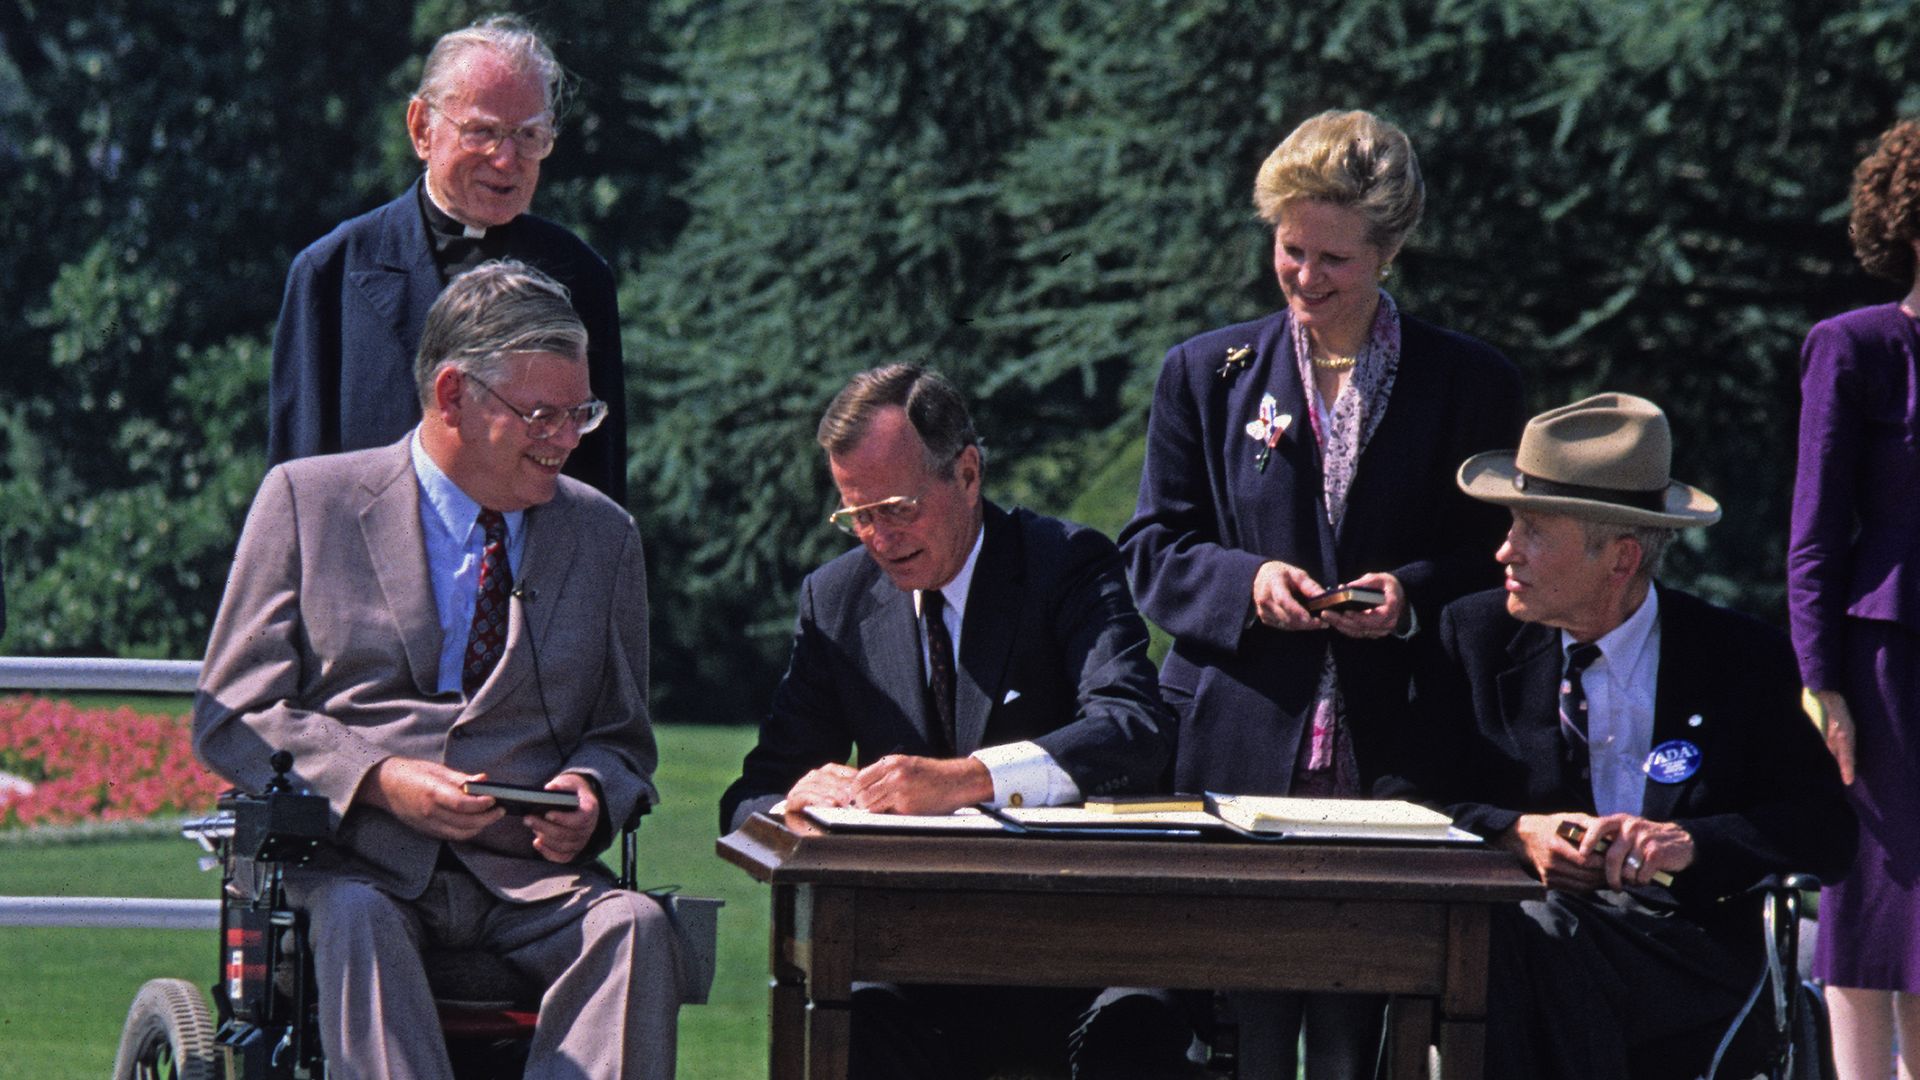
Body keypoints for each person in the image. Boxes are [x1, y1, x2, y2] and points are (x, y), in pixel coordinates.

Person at [1114, 109, 1522, 1078]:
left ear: (1390, 249)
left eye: (1334, 258)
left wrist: (1410, 597)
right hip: (1239, 747)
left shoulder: (1470, 381)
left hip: (1398, 754)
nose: (1305, 277)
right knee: (1246, 1026)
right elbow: (1151, 549)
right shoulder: (1204, 374)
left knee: (1355, 1035)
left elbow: (1501, 557)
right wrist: (1248, 581)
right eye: (1290, 251)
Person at [195, 261, 677, 1079]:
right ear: (453, 395)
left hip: (530, 879)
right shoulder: (309, 503)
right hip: (357, 864)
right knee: (358, 919)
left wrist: (592, 793)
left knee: (635, 928)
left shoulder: (605, 536)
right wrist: (379, 779)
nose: (568, 439)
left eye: (580, 414)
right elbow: (233, 711)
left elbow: (621, 737)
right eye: (542, 415)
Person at [1379, 392, 1856, 1080]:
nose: (1504, 550)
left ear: (1621, 559)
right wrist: (1516, 833)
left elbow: (1826, 831)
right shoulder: (1473, 636)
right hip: (1514, 928)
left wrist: (1690, 842)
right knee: (1526, 934)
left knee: (1526, 946)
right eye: (1512, 524)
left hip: (1681, 948)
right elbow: (1400, 796)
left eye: (1534, 531)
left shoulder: (1737, 657)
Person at [719, 363, 1175, 1079]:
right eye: (857, 515)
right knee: (855, 1023)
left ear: (967, 474)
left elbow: (1133, 726)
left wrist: (969, 779)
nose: (878, 538)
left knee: (1136, 1031)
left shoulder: (1066, 564)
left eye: (897, 508)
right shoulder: (835, 602)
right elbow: (748, 798)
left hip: (1079, 949)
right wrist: (793, 804)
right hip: (913, 963)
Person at [269, 14, 627, 507]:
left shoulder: (583, 279)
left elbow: (600, 496)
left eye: (529, 136)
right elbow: (296, 492)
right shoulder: (331, 274)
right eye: (482, 132)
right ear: (422, 128)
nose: (506, 159)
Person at [1787, 117, 1920, 1080]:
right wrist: (1821, 681)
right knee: (1875, 906)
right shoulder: (1855, 346)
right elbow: (1815, 530)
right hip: (1885, 670)